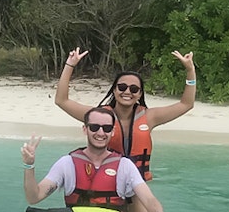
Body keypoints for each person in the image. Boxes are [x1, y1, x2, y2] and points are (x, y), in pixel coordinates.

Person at [21, 106, 169, 212]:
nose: (101, 132)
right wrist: (29, 166)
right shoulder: (67, 163)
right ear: (85, 129)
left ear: (112, 132)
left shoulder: (125, 166)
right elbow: (34, 196)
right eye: (94, 127)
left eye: (106, 128)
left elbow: (149, 198)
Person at [53, 47, 196, 180]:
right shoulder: (98, 116)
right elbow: (62, 101)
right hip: (106, 181)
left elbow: (186, 104)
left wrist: (190, 70)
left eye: (134, 89)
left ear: (140, 94)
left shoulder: (149, 117)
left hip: (137, 183)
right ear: (114, 91)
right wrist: (69, 65)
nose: (127, 92)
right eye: (122, 87)